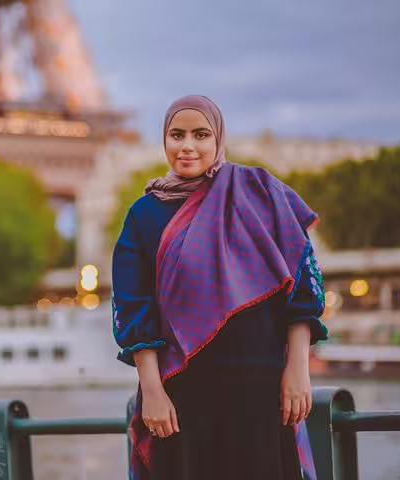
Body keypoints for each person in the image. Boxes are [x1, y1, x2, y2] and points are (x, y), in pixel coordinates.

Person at [112, 95, 328, 480]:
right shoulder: (144, 215)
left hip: (263, 390)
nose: (188, 146)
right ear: (164, 141)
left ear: (218, 139)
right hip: (184, 393)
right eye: (176, 135)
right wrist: (154, 392)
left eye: (201, 134)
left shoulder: (260, 193)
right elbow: (133, 306)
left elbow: (302, 288)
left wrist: (298, 370)